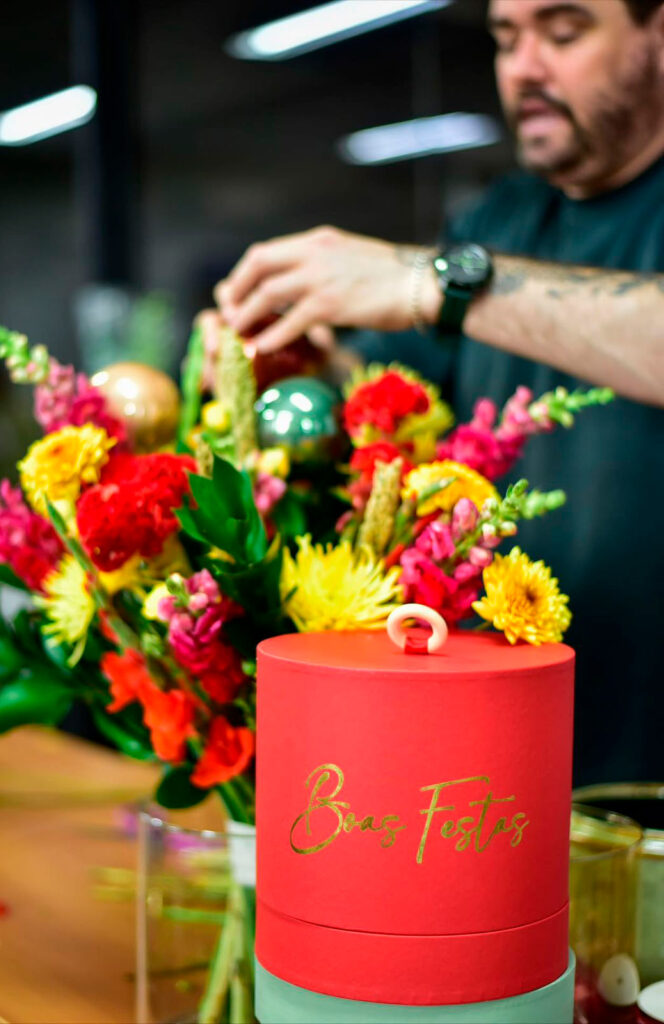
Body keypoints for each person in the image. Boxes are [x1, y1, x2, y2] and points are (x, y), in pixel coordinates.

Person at [200, 0, 664, 787]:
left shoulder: (472, 262)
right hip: (503, 763)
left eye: (564, 32)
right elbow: (379, 389)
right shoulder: (501, 218)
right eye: (507, 39)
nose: (525, 69)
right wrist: (289, 366)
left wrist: (429, 280)